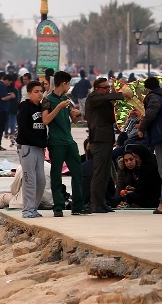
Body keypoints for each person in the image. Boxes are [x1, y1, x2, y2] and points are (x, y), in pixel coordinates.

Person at [45, 71, 88, 217]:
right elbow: (46, 120)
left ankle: (78, 205)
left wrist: (76, 114)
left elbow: (74, 120)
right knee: (56, 174)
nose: (69, 87)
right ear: (63, 83)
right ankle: (58, 206)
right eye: (68, 84)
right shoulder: (48, 100)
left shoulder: (66, 99)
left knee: (77, 172)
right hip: (56, 142)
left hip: (69, 140)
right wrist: (58, 107)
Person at [86, 76, 133, 213]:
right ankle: (95, 204)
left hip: (106, 139)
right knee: (99, 174)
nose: (108, 90)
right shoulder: (93, 98)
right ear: (97, 89)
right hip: (98, 140)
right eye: (105, 87)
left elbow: (111, 118)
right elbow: (104, 98)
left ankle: (102, 203)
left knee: (106, 174)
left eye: (109, 87)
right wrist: (121, 95)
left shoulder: (105, 101)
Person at [16, 80, 49, 218]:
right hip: (27, 147)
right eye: (36, 91)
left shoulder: (42, 108)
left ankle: (34, 207)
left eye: (41, 91)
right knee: (29, 179)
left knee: (41, 180)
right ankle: (27, 210)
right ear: (29, 93)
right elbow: (24, 129)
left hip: (39, 148)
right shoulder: (25, 108)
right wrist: (38, 142)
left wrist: (44, 143)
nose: (39, 94)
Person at [137, 76, 162, 214]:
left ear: (148, 89)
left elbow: (152, 111)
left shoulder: (153, 97)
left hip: (160, 136)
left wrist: (142, 128)